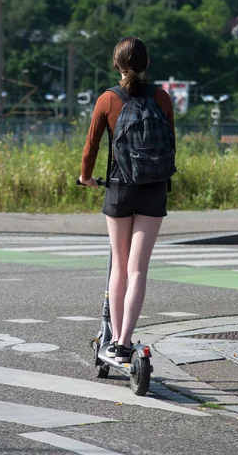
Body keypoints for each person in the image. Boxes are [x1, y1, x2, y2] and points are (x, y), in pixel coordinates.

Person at [79, 36, 175, 363]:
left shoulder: (107, 99)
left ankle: (112, 345)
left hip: (119, 187)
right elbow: (170, 142)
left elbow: (91, 147)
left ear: (116, 65)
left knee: (118, 267)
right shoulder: (161, 97)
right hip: (154, 188)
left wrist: (86, 177)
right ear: (147, 64)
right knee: (138, 270)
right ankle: (124, 341)